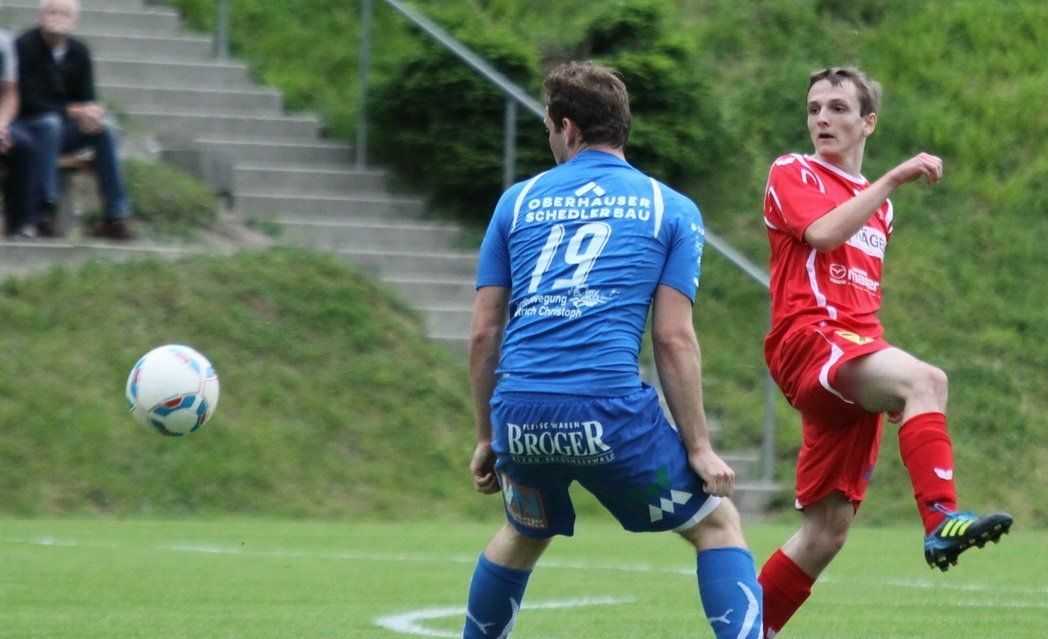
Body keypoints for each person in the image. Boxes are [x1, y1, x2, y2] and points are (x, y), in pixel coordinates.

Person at [463, 61, 762, 639]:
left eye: (549, 129)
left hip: (520, 416)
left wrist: (486, 436)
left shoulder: (516, 203)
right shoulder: (669, 207)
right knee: (717, 525)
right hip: (609, 417)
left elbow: (483, 333)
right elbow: (673, 338)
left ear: (568, 128)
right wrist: (699, 447)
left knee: (524, 530)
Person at [757, 66, 1012, 637]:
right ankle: (940, 519)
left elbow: (861, 294)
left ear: (868, 122)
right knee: (928, 380)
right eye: (814, 108)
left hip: (850, 348)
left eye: (838, 108)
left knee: (825, 534)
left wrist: (881, 376)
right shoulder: (793, 170)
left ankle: (747, 631)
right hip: (809, 339)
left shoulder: (881, 209)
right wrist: (893, 177)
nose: (822, 118)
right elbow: (823, 234)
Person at [16, 0, 132, 239]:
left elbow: (87, 97)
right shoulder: (24, 46)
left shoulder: (80, 52)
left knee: (104, 130)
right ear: (41, 17)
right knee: (50, 123)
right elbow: (28, 101)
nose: (58, 18)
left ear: (75, 22)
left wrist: (92, 114)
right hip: (28, 128)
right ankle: (45, 209)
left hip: (62, 131)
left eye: (65, 14)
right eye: (52, 12)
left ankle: (115, 215)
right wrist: (74, 111)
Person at [0, 13, 40, 239]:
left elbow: (10, 93)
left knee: (24, 146)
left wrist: (2, 124)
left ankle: (22, 224)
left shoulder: (4, 42)